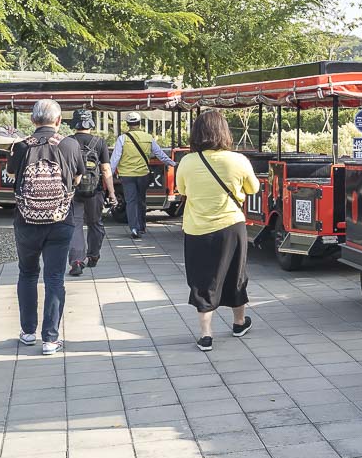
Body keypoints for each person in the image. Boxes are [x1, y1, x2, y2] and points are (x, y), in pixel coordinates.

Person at [176, 110, 259, 352]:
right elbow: (253, 188)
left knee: (202, 278)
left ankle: (205, 335)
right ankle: (239, 322)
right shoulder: (238, 160)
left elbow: (182, 189)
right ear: (224, 131)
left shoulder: (187, 162)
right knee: (236, 274)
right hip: (231, 227)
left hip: (197, 228)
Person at [8, 99, 82, 355]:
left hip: (26, 221)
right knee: (54, 277)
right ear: (59, 121)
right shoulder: (70, 144)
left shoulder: (20, 147)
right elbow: (77, 178)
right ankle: (50, 339)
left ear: (32, 121)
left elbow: (12, 177)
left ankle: (28, 332)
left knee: (27, 274)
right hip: (60, 220)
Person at [110, 111, 175, 239]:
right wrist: (173, 163)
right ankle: (142, 226)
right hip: (143, 175)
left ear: (128, 124)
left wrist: (109, 175)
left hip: (127, 175)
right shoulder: (148, 137)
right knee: (141, 200)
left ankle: (134, 228)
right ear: (139, 123)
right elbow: (160, 154)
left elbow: (115, 159)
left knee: (131, 201)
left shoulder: (122, 139)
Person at [67, 109, 116, 276]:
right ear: (91, 123)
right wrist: (112, 193)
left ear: (74, 123)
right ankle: (93, 255)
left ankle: (77, 261)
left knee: (75, 224)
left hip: (73, 190)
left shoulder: (67, 142)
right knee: (95, 223)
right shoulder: (99, 142)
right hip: (95, 190)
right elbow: (106, 169)